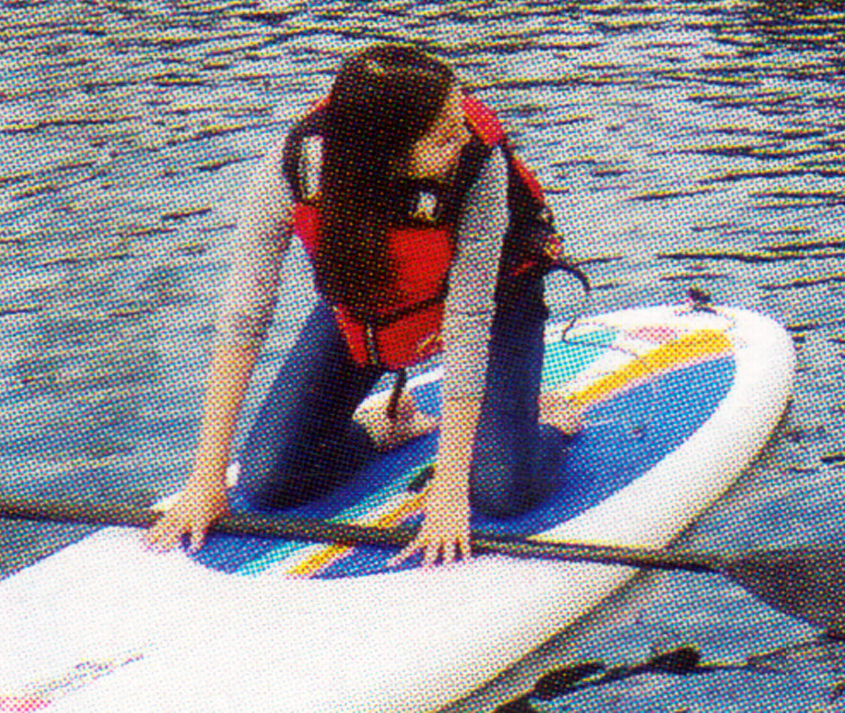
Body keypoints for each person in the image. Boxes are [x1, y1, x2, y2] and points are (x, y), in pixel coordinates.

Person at [144, 44, 582, 565]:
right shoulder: (296, 168)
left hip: (496, 304)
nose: (465, 137)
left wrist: (447, 489)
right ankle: (384, 427)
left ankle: (546, 421)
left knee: (499, 491)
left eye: (459, 118)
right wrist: (206, 480)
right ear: (387, 152)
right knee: (268, 482)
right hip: (372, 307)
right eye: (445, 135)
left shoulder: (478, 166)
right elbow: (244, 317)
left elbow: (467, 325)